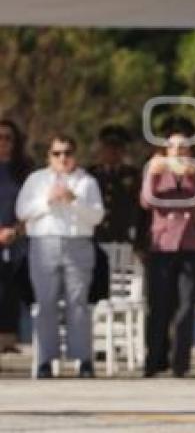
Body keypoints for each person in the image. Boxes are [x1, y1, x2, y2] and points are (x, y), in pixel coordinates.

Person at [16, 134, 104, 378]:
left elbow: (96, 217)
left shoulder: (87, 182)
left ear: (75, 155)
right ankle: (45, 360)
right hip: (45, 243)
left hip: (78, 244)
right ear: (49, 156)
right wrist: (48, 200)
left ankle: (83, 360)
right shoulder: (37, 180)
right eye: (57, 153)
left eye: (67, 153)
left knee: (78, 303)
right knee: (45, 303)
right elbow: (22, 211)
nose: (63, 158)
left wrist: (73, 202)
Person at [140, 118, 195, 378]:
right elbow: (147, 201)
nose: (179, 152)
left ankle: (179, 363)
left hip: (192, 245)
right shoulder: (157, 171)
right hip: (163, 245)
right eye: (173, 147)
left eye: (184, 147)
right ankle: (154, 359)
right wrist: (153, 173)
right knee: (159, 305)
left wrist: (194, 178)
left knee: (186, 306)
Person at [0, 119, 32, 355]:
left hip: (18, 242)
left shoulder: (25, 170)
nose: (3, 143)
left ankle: (7, 343)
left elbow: (35, 205)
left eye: (8, 138)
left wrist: (16, 230)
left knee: (12, 292)